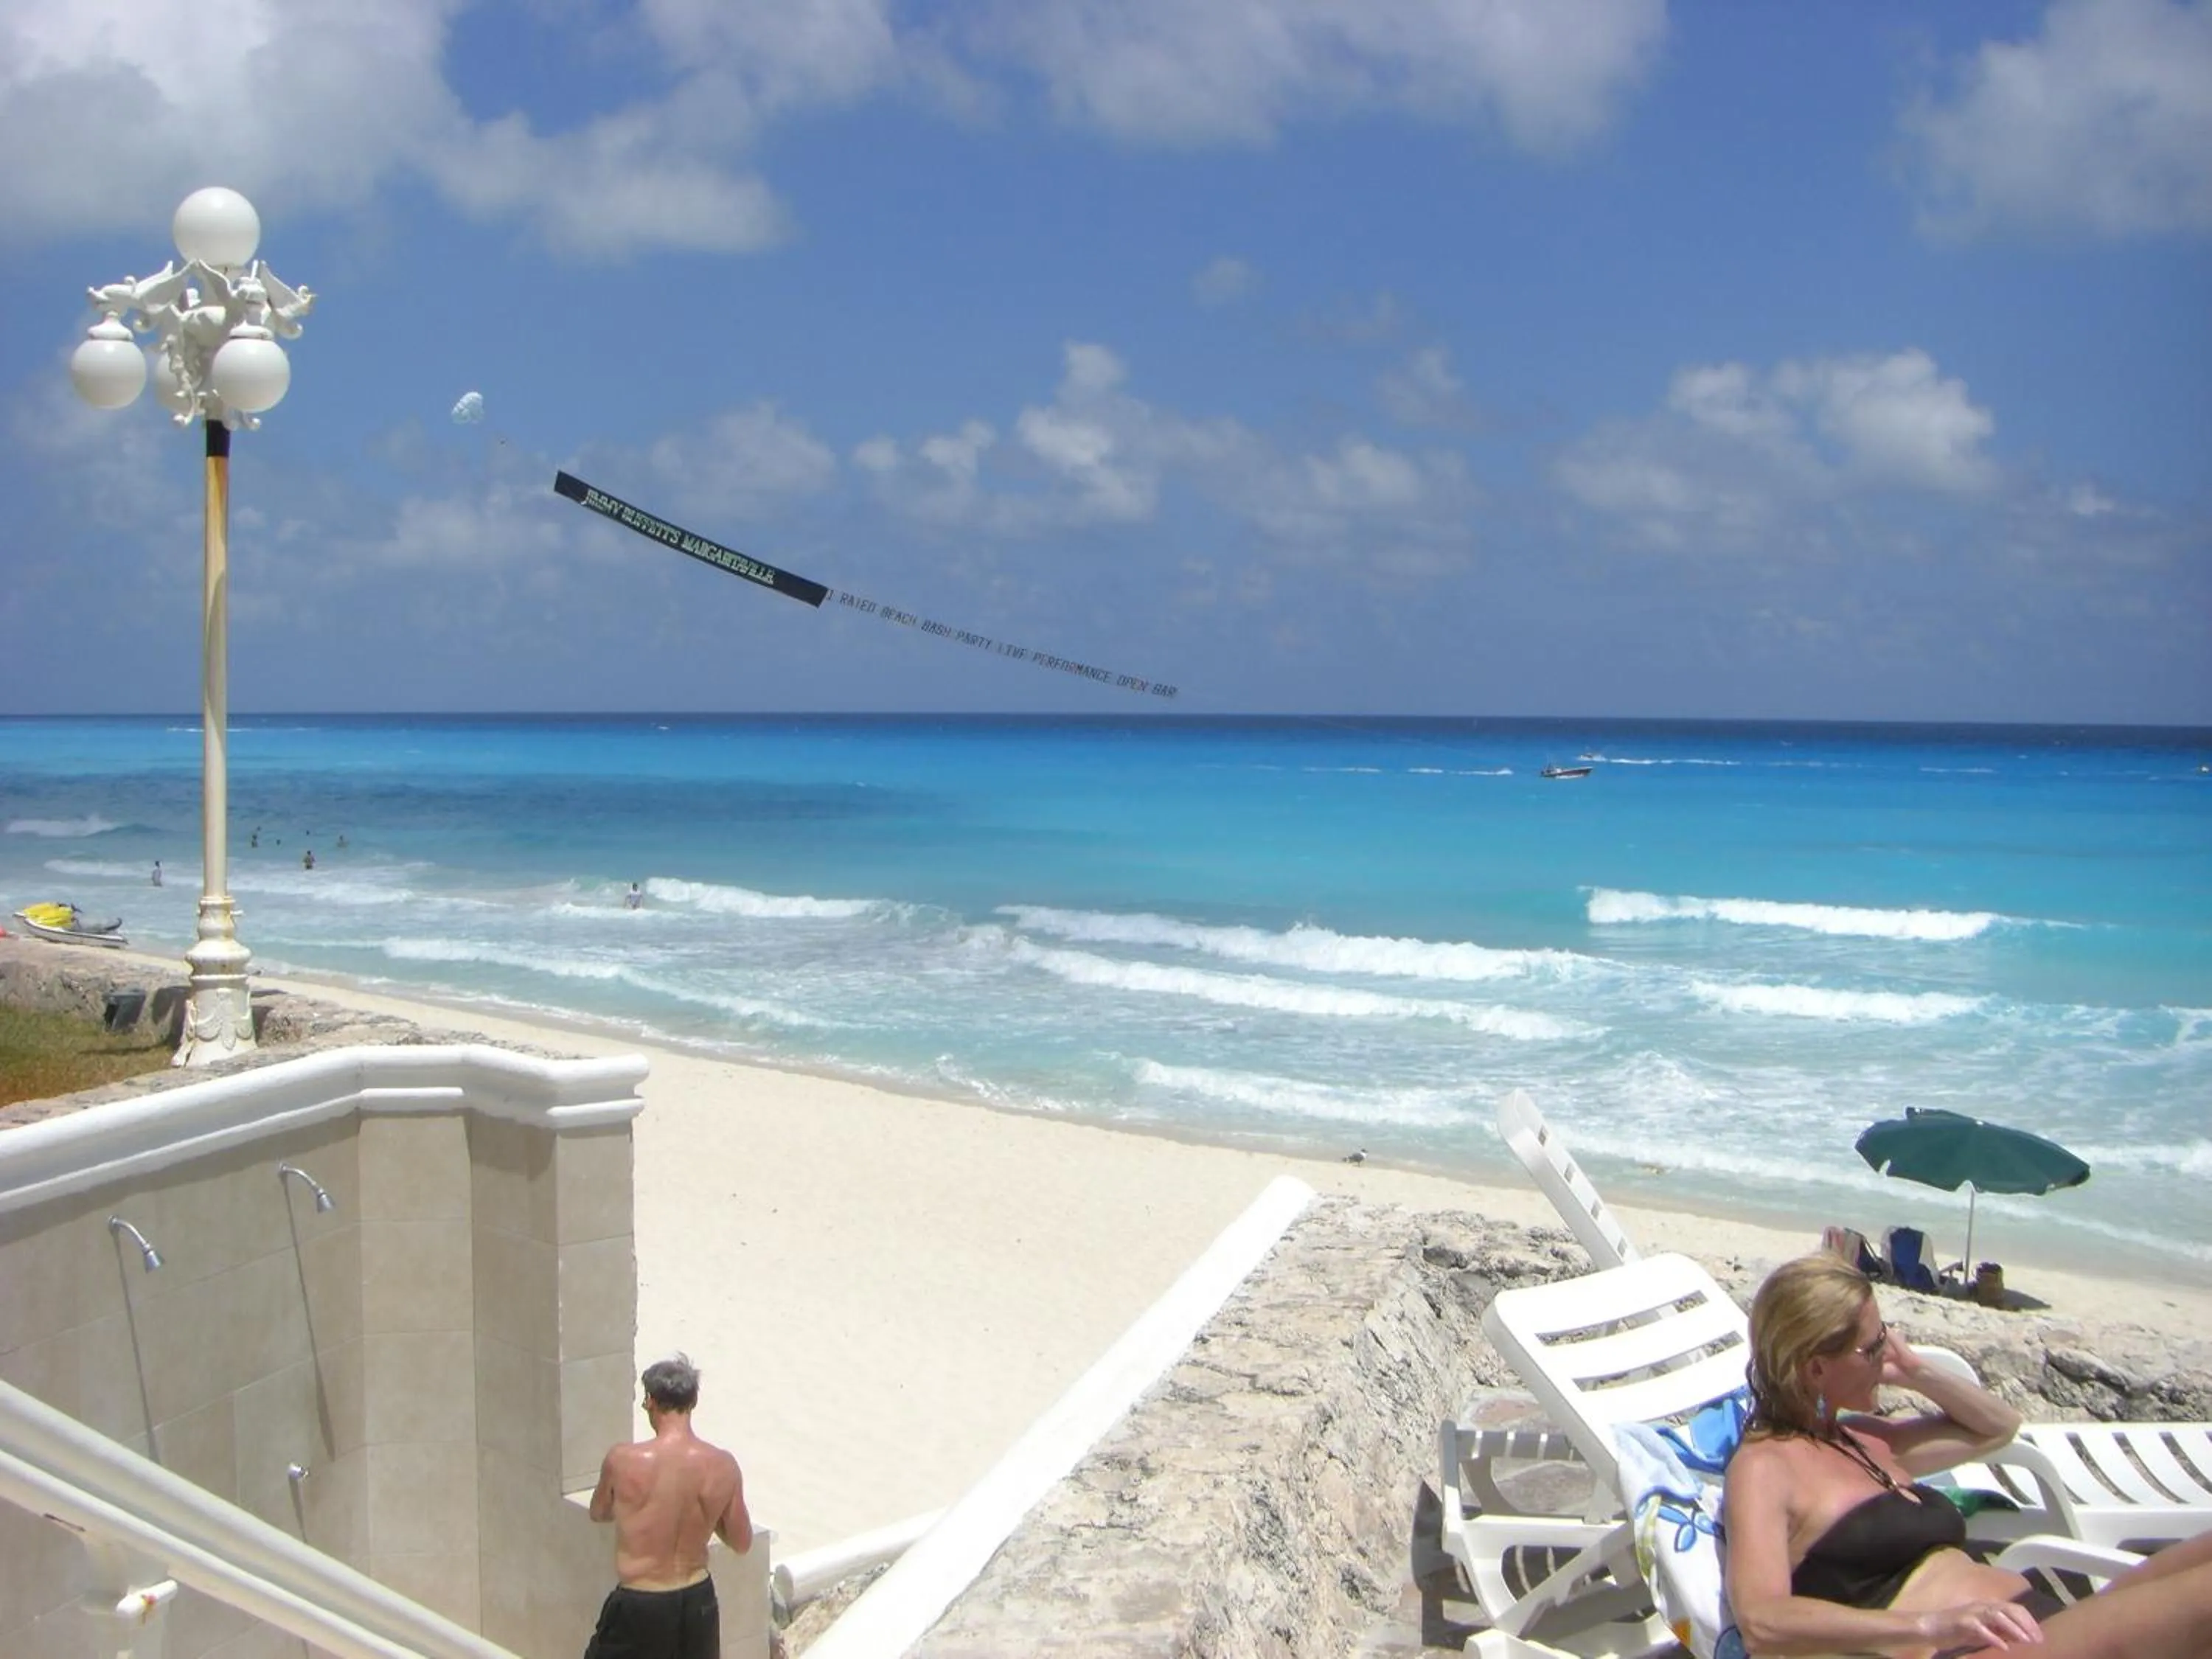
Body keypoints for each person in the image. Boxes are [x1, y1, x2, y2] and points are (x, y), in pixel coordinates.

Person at [1725, 1253, 2212, 1658]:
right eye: (1873, 1347)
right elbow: (1764, 1621)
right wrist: (1930, 1627)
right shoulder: (1765, 1467)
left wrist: (1915, 1370)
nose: (1888, 1351)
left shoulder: (1868, 1440)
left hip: (2038, 1624)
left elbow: (1999, 1427)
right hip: (1959, 1650)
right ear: (1815, 1368)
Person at [582, 1354, 751, 1659]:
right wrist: (705, 1515)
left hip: (642, 1602)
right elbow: (741, 1542)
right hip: (697, 1600)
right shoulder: (723, 1466)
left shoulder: (623, 1460)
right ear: (693, 1403)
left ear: (650, 1401)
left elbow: (599, 1511)